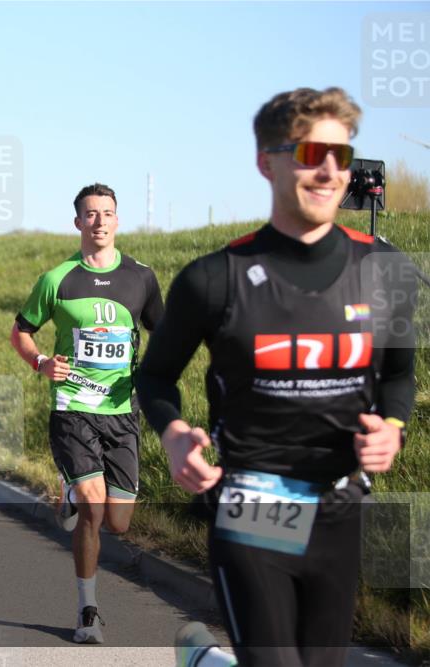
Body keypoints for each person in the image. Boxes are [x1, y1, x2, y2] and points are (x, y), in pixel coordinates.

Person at [135, 87, 417, 667]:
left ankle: (206, 662)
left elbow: (399, 377)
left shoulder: (384, 270)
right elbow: (156, 376)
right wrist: (174, 434)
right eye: (312, 153)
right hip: (253, 506)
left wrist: (392, 428)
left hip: (340, 507)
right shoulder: (215, 278)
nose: (330, 170)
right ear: (267, 162)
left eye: (342, 154)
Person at [10, 182, 163, 644]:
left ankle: (71, 492)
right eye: (91, 214)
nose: (99, 221)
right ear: (78, 222)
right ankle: (87, 610)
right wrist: (41, 362)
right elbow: (20, 332)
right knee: (94, 510)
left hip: (122, 411)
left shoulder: (141, 277)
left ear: (118, 220)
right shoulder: (57, 279)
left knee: (119, 522)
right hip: (74, 407)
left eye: (107, 213)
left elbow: (165, 335)